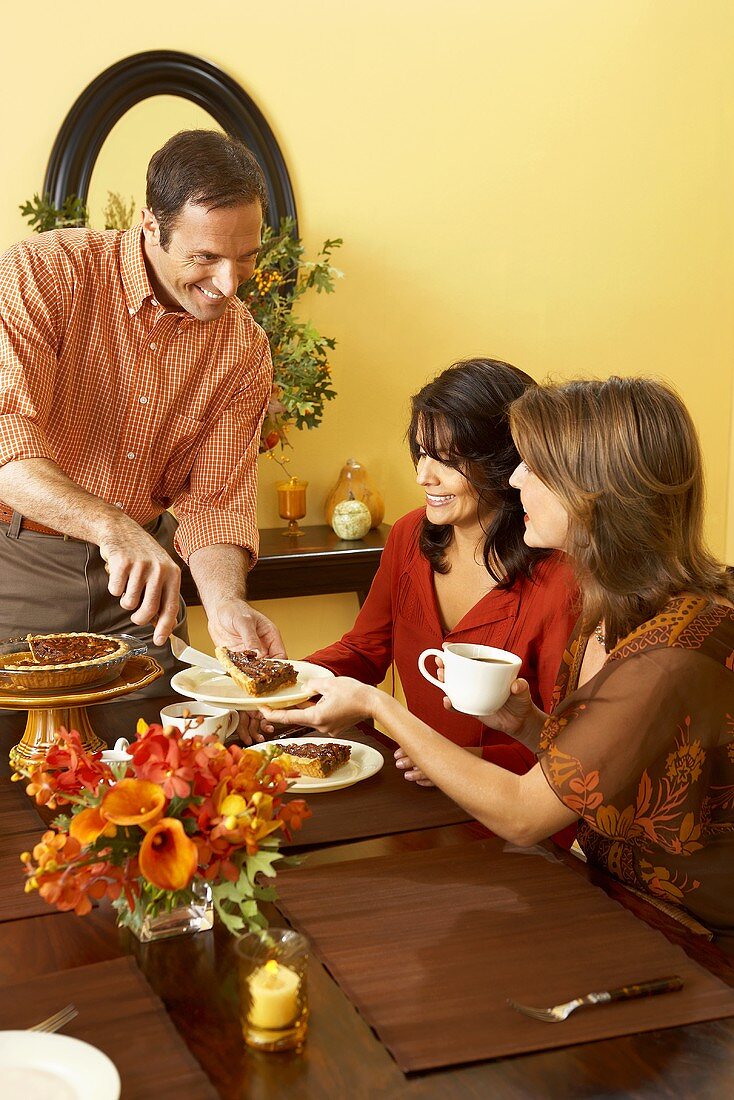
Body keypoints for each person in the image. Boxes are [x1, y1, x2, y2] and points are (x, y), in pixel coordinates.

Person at [262, 376, 734, 943]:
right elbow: (603, 767)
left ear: (594, 490)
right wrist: (532, 724)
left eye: (534, 466)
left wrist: (377, 707)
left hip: (690, 930)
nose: (515, 478)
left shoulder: (664, 655)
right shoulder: (612, 607)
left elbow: (523, 812)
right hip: (612, 889)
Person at [0, 129, 284, 683]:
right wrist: (112, 527)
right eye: (204, 257)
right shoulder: (43, 274)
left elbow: (217, 501)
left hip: (144, 594)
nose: (228, 284)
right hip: (16, 567)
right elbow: (6, 439)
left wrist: (225, 602)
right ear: (151, 226)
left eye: (245, 258)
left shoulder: (243, 348)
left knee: (157, 762)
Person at [254, 358, 578, 788]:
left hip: (513, 809)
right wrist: (274, 691)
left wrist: (456, 762)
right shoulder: (409, 535)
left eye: (446, 460)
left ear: (506, 462)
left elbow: (568, 749)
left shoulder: (561, 577)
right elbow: (366, 649)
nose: (423, 475)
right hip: (421, 792)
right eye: (422, 453)